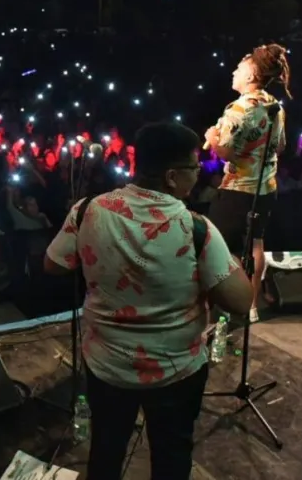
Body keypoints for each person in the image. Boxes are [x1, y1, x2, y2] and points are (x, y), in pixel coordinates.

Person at [44, 123, 252, 480]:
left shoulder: (87, 210)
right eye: (193, 168)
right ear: (172, 176)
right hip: (175, 372)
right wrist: (230, 261)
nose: (198, 175)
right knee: (172, 455)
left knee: (106, 449)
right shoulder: (195, 228)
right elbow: (241, 300)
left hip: (107, 366)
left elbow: (53, 265)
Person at [204, 43, 290, 323]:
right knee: (256, 244)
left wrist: (212, 138)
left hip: (237, 191)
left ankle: (225, 306)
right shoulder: (274, 106)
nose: (233, 72)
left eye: (238, 69)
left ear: (251, 75)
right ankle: (251, 306)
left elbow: (226, 152)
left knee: (220, 249)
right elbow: (280, 146)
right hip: (265, 189)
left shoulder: (238, 109)